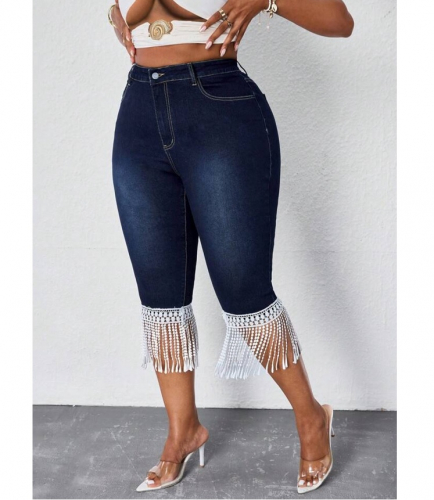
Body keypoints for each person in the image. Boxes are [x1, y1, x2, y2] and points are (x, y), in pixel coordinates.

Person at [109, 0, 354, 494]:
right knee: (159, 292)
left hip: (219, 106)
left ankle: (311, 417)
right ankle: (183, 430)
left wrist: (265, 1)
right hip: (138, 112)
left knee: (244, 290)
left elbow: (339, 21)